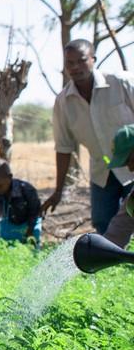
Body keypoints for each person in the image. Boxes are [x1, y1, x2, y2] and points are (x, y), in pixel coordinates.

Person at [42, 39, 134, 243]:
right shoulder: (64, 102)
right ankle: (111, 263)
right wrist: (58, 191)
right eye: (69, 63)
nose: (75, 67)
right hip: (102, 170)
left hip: (132, 163)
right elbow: (64, 148)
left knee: (129, 216)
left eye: (81, 61)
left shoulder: (121, 82)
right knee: (103, 221)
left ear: (93, 59)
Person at [0, 158, 42, 246]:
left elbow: (35, 212)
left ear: (10, 177)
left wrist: (29, 232)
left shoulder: (26, 190)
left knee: (30, 254)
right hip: (8, 228)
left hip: (29, 226)